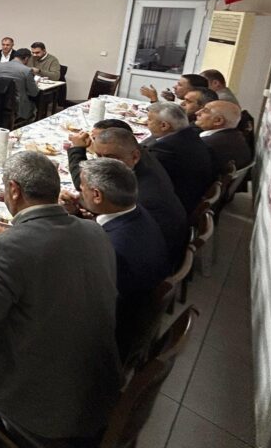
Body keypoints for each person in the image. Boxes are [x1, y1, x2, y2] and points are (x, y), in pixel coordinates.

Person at [0, 151, 120, 443]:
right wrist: (6, 231)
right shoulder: (95, 230)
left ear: (14, 190)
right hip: (99, 389)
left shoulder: (8, 248)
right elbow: (46, 246)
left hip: (43, 404)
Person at [70, 158, 171, 356]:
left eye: (82, 189)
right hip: (136, 308)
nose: (79, 193)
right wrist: (78, 214)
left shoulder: (113, 249)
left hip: (108, 336)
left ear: (97, 195)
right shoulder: (137, 211)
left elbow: (80, 294)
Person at [74, 126, 189, 263]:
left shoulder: (145, 196)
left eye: (111, 158)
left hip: (158, 258)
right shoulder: (140, 166)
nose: (103, 163)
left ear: (135, 156)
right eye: (98, 156)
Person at [145, 102, 214, 214]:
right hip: (191, 194)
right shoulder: (190, 135)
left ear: (164, 126)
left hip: (172, 207)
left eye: (149, 119)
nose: (146, 122)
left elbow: (146, 177)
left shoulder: (165, 148)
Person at [196, 100, 253, 178]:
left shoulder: (208, 144)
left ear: (218, 121)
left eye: (205, 111)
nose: (197, 113)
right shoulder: (234, 135)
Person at [0, 48, 39, 122]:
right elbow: (34, 93)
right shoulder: (26, 70)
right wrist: (35, 84)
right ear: (26, 58)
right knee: (35, 105)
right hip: (17, 105)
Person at [139, 72, 209, 103]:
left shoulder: (193, 107)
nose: (174, 87)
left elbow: (161, 118)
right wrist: (172, 100)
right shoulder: (185, 102)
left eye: (180, 85)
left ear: (193, 90)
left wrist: (153, 98)